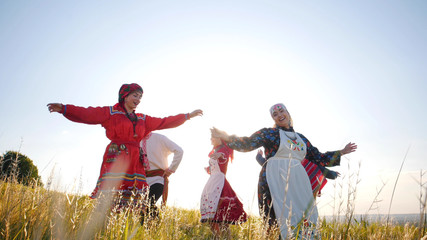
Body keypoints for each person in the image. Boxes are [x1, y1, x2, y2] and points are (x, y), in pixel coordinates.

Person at [47, 83, 203, 210]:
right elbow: (87, 114)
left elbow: (164, 121)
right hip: (117, 156)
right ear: (125, 96)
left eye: (140, 97)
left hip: (136, 161)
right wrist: (64, 108)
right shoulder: (110, 112)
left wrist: (187, 116)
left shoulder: (142, 119)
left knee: (136, 200)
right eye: (135, 95)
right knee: (112, 196)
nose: (139, 99)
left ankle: (128, 228)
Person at [211, 103, 357, 239]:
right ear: (273, 119)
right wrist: (226, 137)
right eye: (275, 114)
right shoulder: (269, 134)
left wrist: (341, 152)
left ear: (288, 113)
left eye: (281, 111)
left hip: (298, 179)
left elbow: (318, 157)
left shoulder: (301, 139)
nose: (279, 114)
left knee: (303, 215)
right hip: (273, 178)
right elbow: (248, 143)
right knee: (276, 218)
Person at [200, 134, 248, 239]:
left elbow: (223, 157)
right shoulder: (215, 150)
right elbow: (217, 166)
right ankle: (217, 238)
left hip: (219, 184)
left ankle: (226, 238)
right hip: (212, 182)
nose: (211, 138)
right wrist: (208, 169)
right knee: (212, 216)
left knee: (221, 217)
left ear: (219, 138)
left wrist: (220, 155)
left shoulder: (223, 150)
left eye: (213, 136)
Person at [256, 149, 340, 197]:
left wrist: (258, 157)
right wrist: (333, 174)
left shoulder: (301, 162)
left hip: (298, 190)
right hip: (298, 190)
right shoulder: (299, 162)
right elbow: (268, 165)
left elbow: (318, 168)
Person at [141, 132, 183, 219]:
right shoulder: (136, 140)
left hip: (157, 180)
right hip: (141, 181)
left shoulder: (160, 138)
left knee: (147, 204)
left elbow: (179, 151)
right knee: (141, 208)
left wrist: (171, 169)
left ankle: (154, 228)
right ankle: (153, 229)